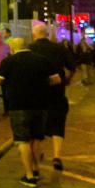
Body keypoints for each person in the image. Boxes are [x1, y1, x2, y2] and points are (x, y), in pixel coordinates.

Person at [0, 37, 61, 188]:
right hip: (40, 105)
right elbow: (56, 80)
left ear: (12, 49)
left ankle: (29, 176)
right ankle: (36, 170)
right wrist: (42, 84)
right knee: (37, 138)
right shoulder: (42, 60)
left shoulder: (8, 62)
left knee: (23, 141)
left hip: (18, 106)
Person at [30, 21, 76, 171]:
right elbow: (71, 67)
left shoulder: (30, 49)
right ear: (47, 34)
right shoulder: (59, 49)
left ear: (34, 35)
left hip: (37, 93)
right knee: (58, 124)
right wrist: (67, 80)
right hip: (57, 92)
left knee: (38, 126)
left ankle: (40, 152)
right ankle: (57, 156)